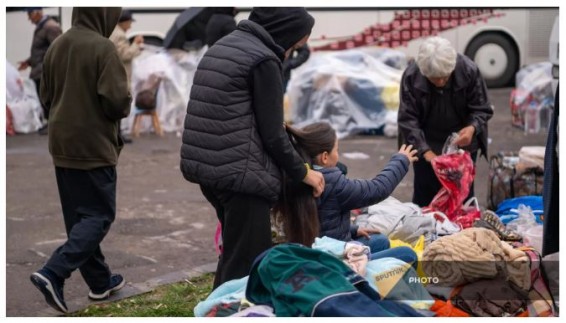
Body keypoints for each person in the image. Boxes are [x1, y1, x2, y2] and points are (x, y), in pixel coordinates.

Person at [180, 7, 324, 290]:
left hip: (209, 169)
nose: (288, 55)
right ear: (284, 34)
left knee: (234, 253)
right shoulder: (263, 59)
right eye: (293, 47)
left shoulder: (226, 46)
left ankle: (217, 305)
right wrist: (304, 172)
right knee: (246, 265)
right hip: (240, 176)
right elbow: (273, 134)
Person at [29, 7, 131, 313]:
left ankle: (100, 283)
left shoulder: (57, 44)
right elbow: (116, 103)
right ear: (105, 15)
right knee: (98, 217)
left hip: (61, 143)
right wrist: (126, 100)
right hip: (93, 144)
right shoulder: (103, 47)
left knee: (79, 218)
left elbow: (45, 96)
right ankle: (54, 272)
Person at [283, 122, 419, 266]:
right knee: (408, 254)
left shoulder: (295, 177)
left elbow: (322, 222)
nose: (338, 155)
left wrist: (353, 230)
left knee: (380, 240)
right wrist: (401, 160)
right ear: (324, 157)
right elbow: (378, 188)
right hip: (336, 262)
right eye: (337, 150)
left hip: (312, 253)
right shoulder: (333, 183)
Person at [398, 36, 493, 207]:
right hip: (425, 142)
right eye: (434, 79)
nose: (440, 82)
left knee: (461, 199)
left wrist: (472, 128)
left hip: (462, 145)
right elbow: (408, 119)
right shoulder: (412, 76)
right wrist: (426, 152)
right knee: (425, 201)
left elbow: (482, 108)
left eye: (444, 77)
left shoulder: (468, 70)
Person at [18, 7, 62, 134]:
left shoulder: (50, 27)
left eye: (29, 14)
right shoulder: (42, 27)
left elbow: (58, 50)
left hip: (46, 72)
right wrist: (28, 62)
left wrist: (51, 69)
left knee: (49, 98)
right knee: (43, 98)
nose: (29, 18)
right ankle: (50, 123)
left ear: (37, 13)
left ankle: (55, 125)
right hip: (39, 71)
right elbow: (41, 50)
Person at [110, 9, 143, 144]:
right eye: (129, 23)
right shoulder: (119, 35)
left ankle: (117, 133)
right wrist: (136, 44)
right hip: (120, 75)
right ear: (124, 22)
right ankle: (118, 135)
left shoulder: (113, 32)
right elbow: (125, 55)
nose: (130, 26)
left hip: (114, 74)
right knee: (120, 104)